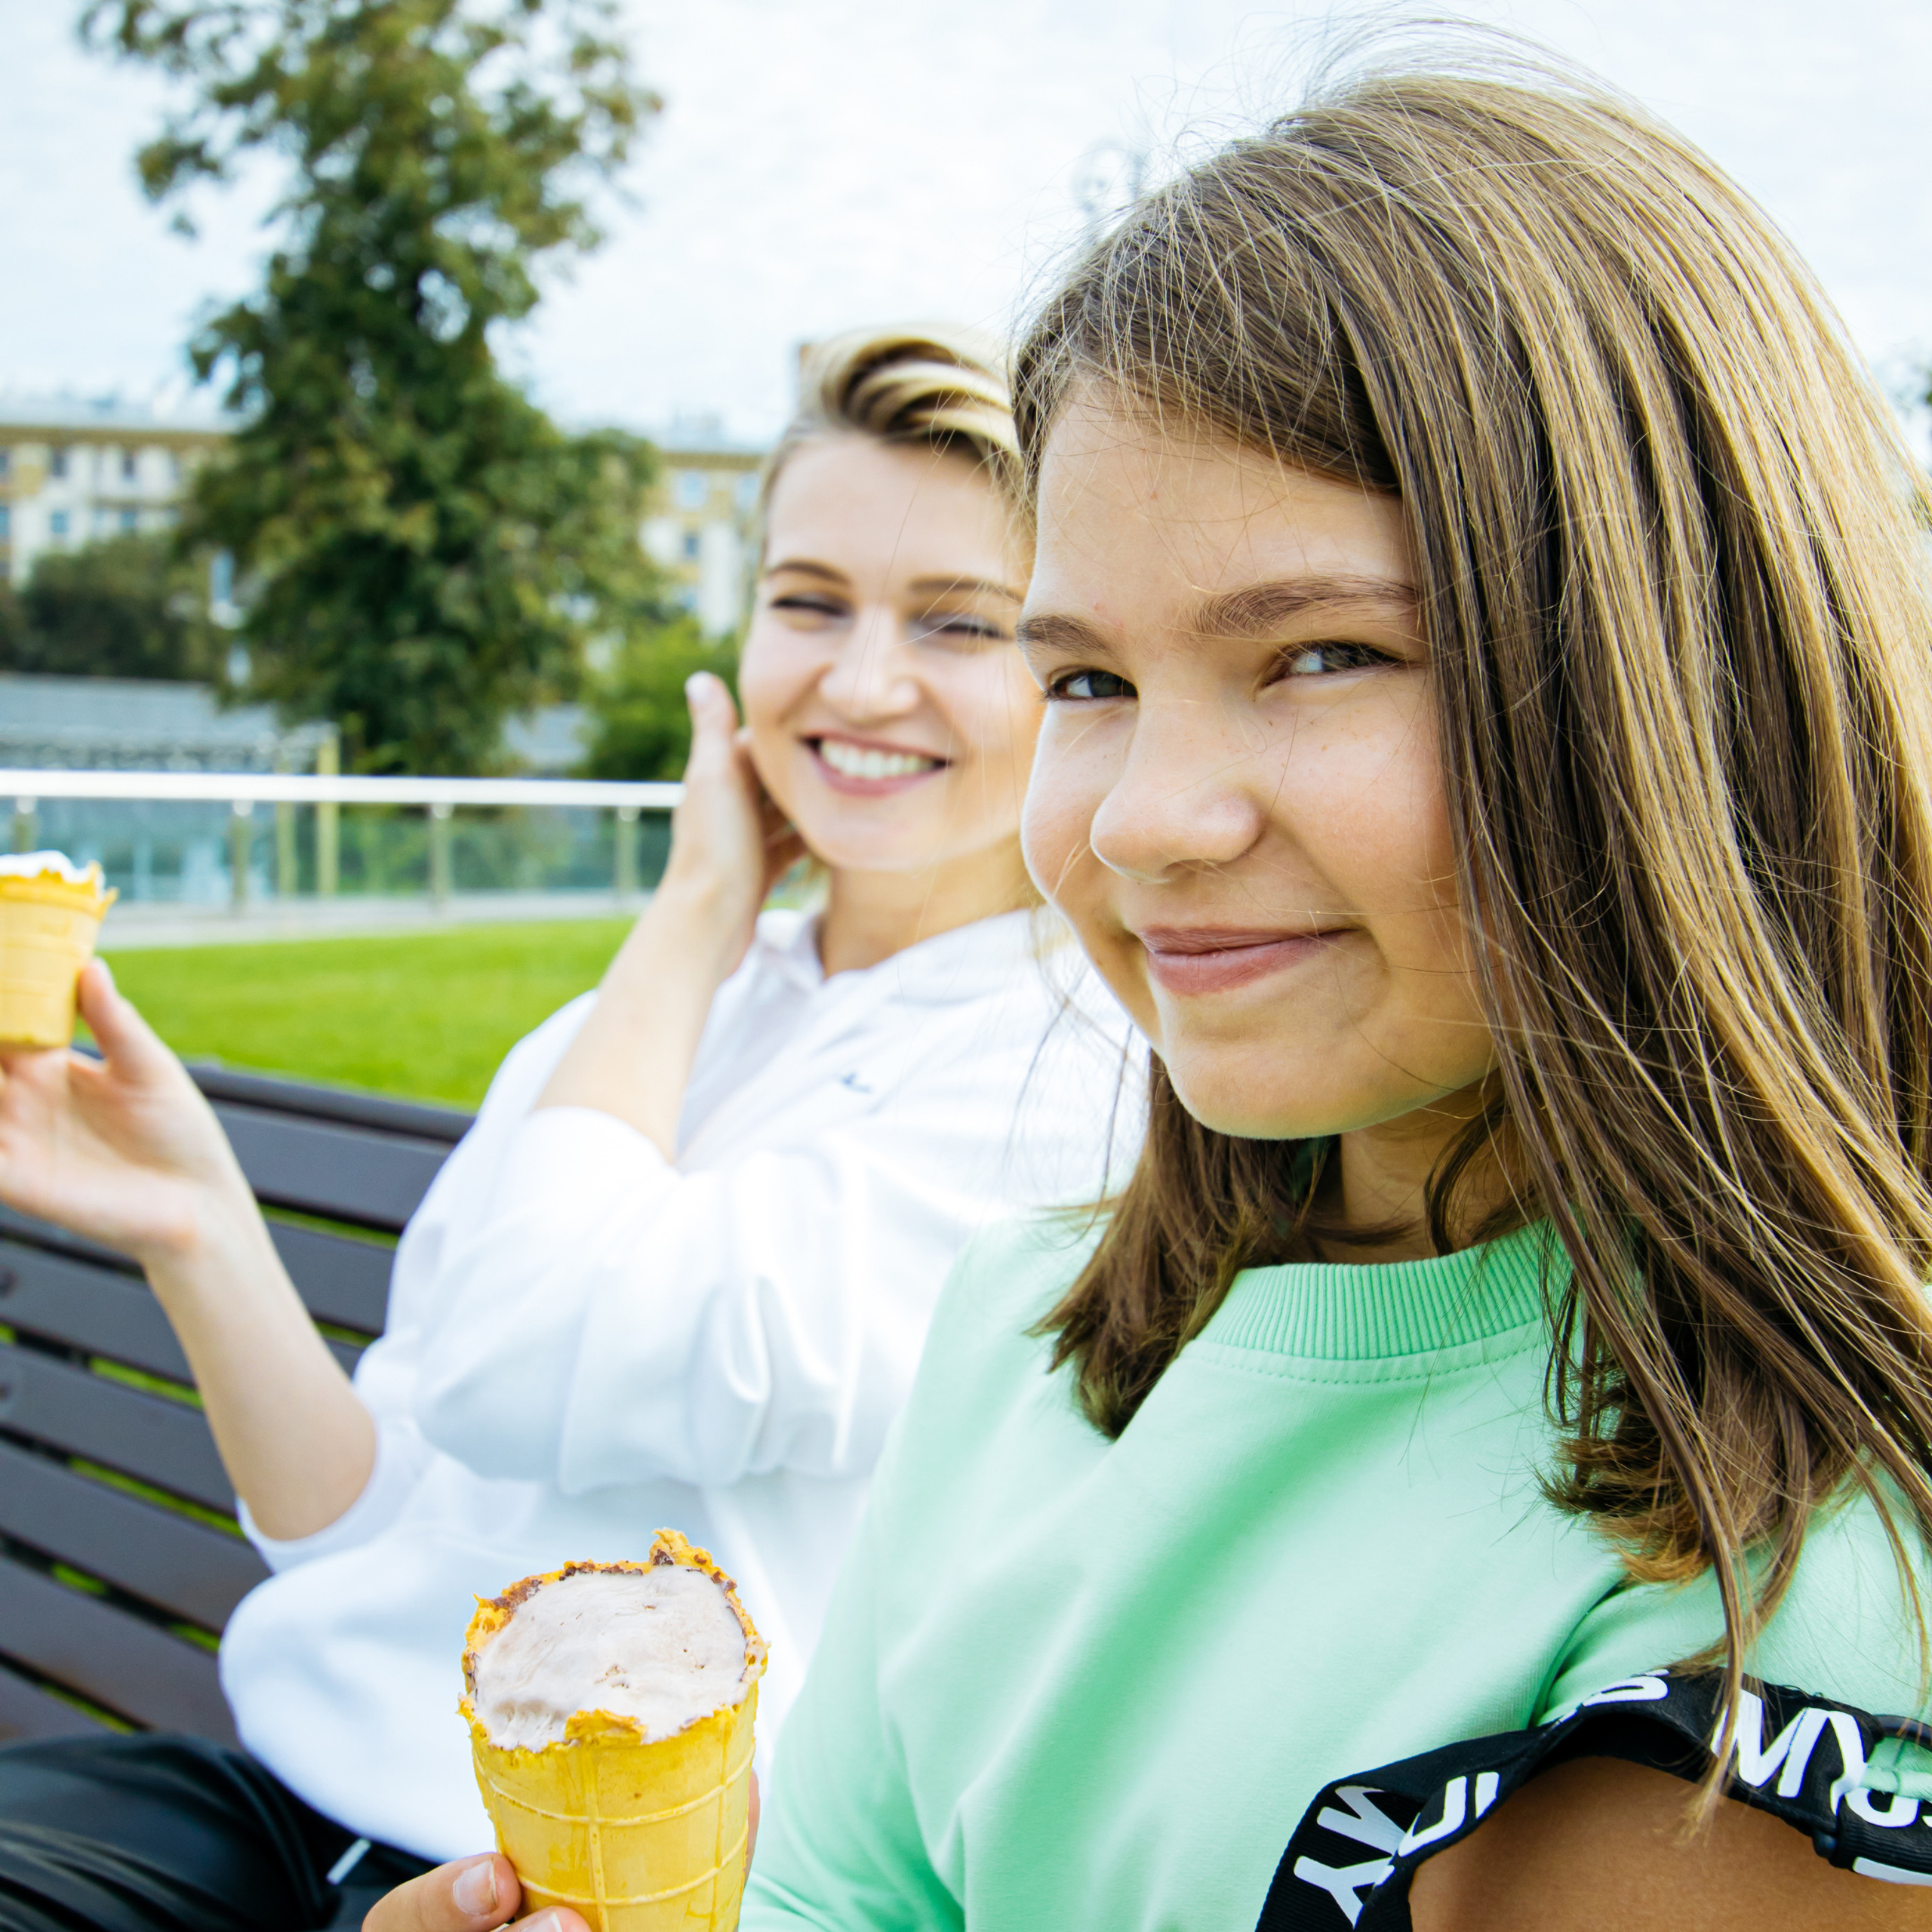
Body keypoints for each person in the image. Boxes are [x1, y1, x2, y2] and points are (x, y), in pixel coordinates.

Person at [362, 56, 1932, 1932]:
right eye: (1087, 680)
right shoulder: (1022, 1329)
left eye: (1320, 653)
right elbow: (843, 1898)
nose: (1143, 821)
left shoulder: (1797, 1596)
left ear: (1688, 686)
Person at [0, 327, 1134, 1932]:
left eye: (959, 622)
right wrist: (192, 1218)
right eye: (808, 599)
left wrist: (683, 911)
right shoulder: (656, 1020)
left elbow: (525, 1347)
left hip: (562, 1895)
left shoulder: (1069, 1075)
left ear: (1070, 668)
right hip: (255, 1802)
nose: (859, 680)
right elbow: (378, 1513)